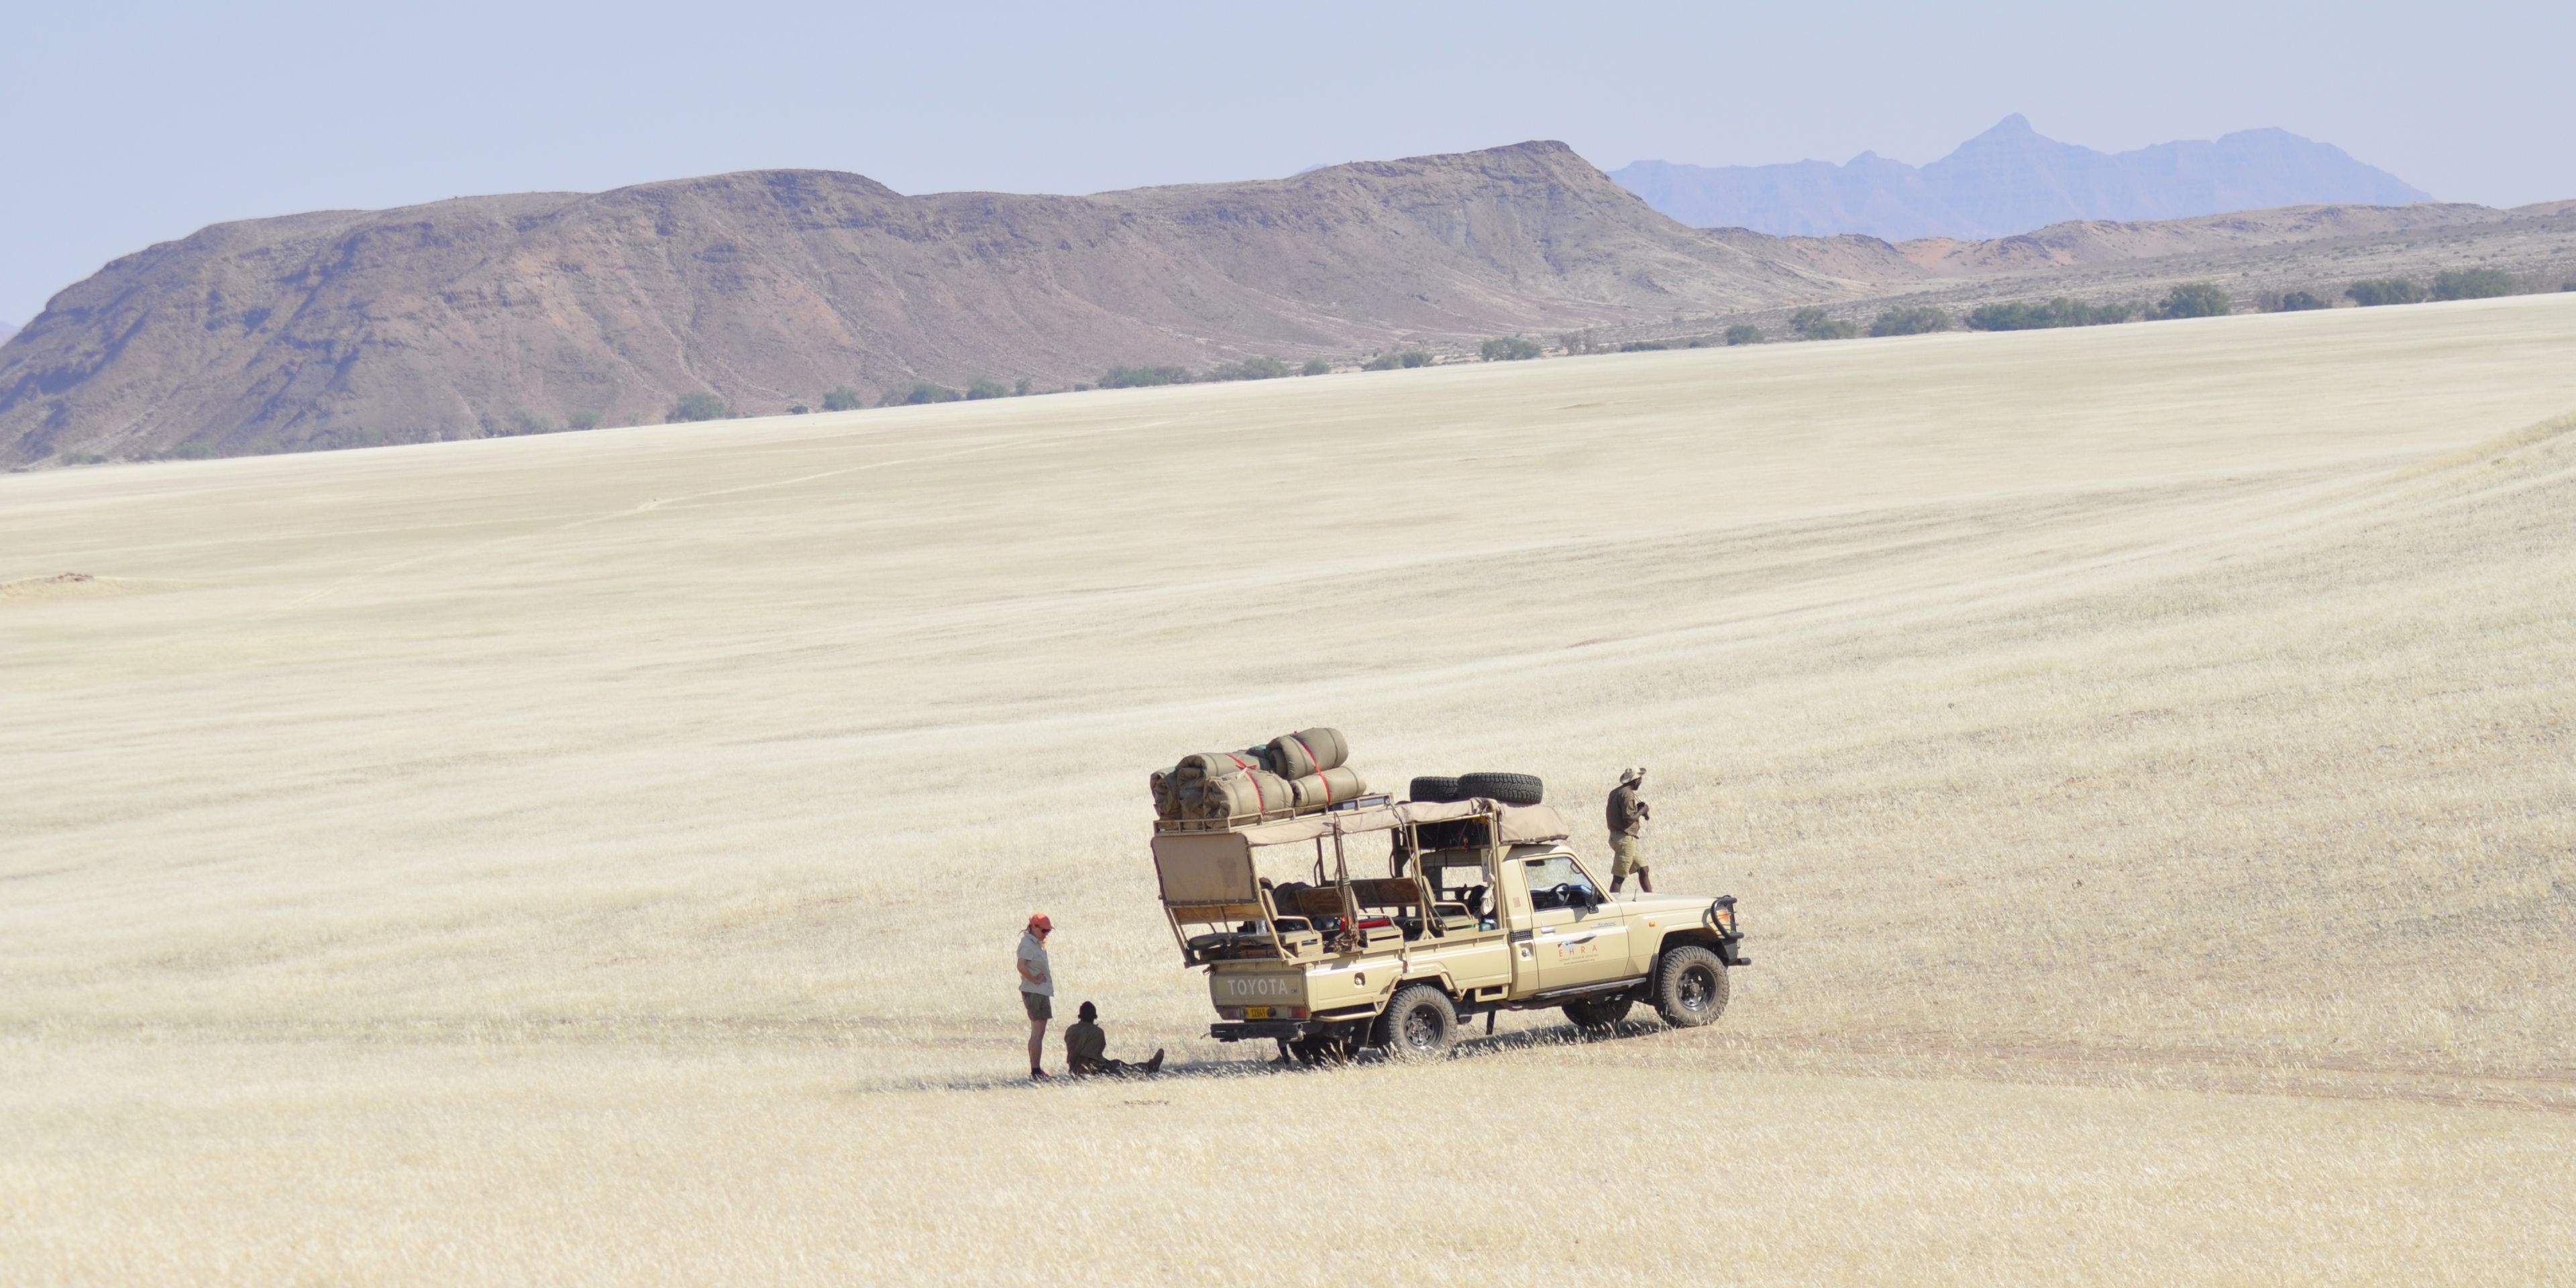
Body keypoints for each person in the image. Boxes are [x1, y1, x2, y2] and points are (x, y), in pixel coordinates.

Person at [1063, 1001, 1165, 1077]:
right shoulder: (1097, 1032)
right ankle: (1149, 1067)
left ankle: (1149, 1067)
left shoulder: (1070, 1030)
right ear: (1094, 1017)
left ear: (1080, 1016)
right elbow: (1092, 1056)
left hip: (1073, 1070)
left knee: (1117, 1064)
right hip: (1094, 1071)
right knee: (1123, 1068)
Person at [1016, 914, 1055, 1079]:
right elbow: (1021, 966)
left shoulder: (1035, 944)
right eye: (1044, 930)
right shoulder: (1028, 945)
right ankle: (1036, 1071)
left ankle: (1036, 1070)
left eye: (1048, 931)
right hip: (1036, 993)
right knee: (1038, 1034)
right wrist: (1034, 980)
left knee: (1037, 1033)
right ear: (1033, 927)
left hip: (1038, 992)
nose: (1046, 933)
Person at [1606, 767, 1653, 894]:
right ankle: (1613, 905)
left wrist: (1637, 809)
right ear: (1635, 780)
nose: (1641, 781)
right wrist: (1642, 811)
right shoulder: (1628, 794)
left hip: (1619, 838)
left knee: (1644, 869)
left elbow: (1621, 813)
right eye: (1640, 779)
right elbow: (1628, 819)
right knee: (1619, 877)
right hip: (1625, 840)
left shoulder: (1617, 792)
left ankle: (1651, 899)